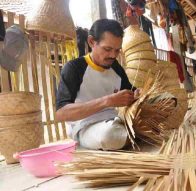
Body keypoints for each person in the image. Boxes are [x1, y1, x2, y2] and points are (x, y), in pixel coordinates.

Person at [56, 19, 139, 150]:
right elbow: (61, 113)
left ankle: (128, 135)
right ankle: (130, 136)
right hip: (85, 126)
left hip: (114, 121)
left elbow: (131, 92)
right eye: (107, 49)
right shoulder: (74, 68)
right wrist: (108, 101)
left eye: (117, 50)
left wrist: (137, 95)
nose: (113, 55)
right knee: (110, 135)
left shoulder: (115, 67)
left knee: (164, 99)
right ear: (91, 42)